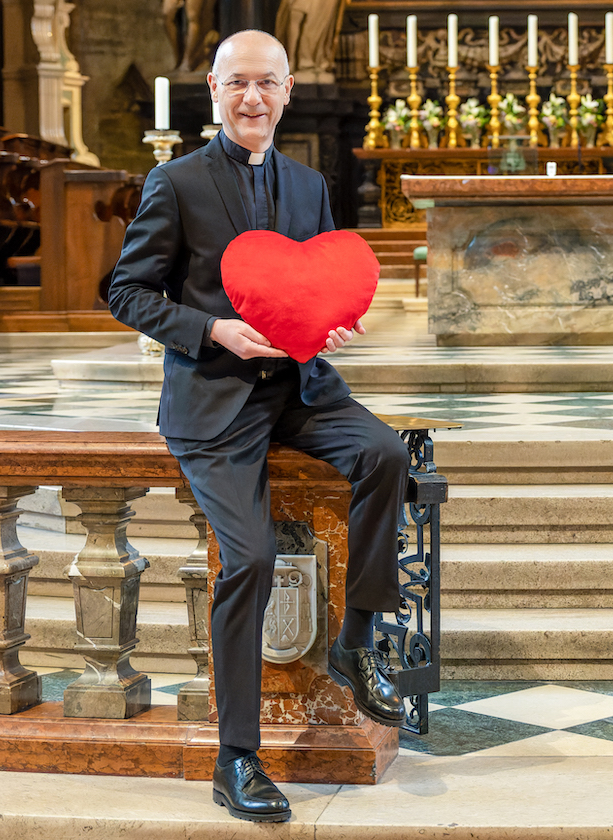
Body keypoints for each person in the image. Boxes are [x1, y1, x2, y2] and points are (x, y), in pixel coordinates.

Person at [106, 30, 407, 824]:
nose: (252, 97)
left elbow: (315, 287)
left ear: (287, 90)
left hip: (301, 390)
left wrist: (332, 325)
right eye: (237, 82)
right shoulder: (176, 182)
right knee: (251, 557)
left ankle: (356, 639)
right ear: (214, 88)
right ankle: (235, 756)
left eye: (266, 83)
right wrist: (213, 331)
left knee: (385, 454)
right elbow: (127, 291)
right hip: (216, 398)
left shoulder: (308, 185)